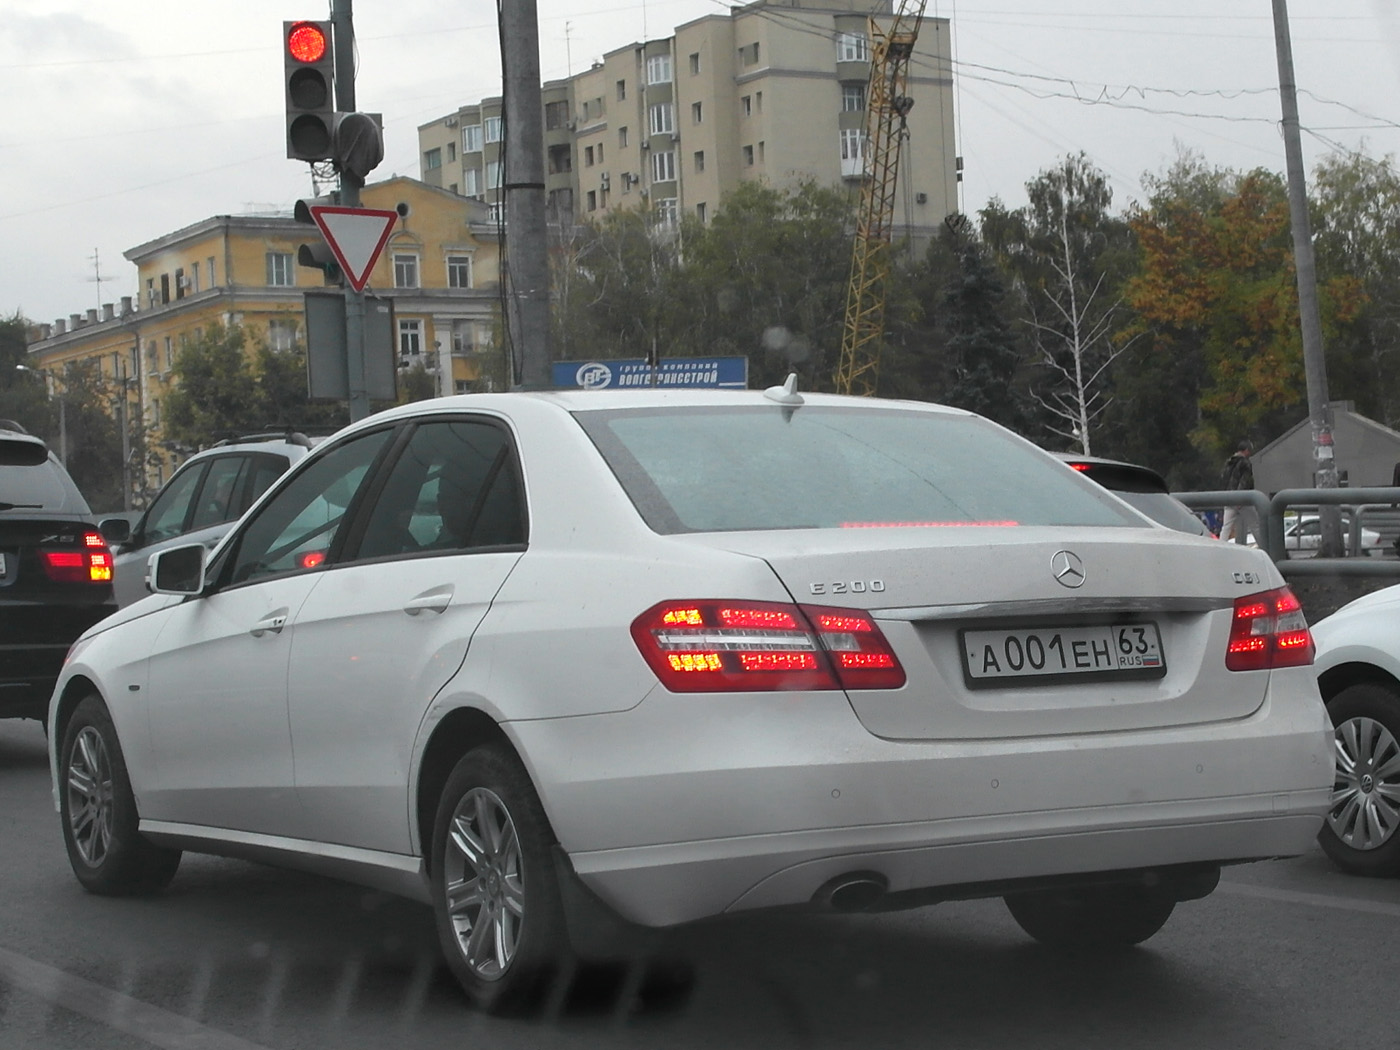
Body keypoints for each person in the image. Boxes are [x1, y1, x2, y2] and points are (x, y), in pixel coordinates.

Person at [1220, 440, 1254, 542]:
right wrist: (1239, 499)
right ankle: (1265, 549)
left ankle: (1219, 548)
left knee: (1226, 527)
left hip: (1228, 498)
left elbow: (1223, 479)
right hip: (1242, 500)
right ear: (1247, 450)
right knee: (1256, 526)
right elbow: (1244, 481)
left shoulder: (1229, 462)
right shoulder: (1245, 463)